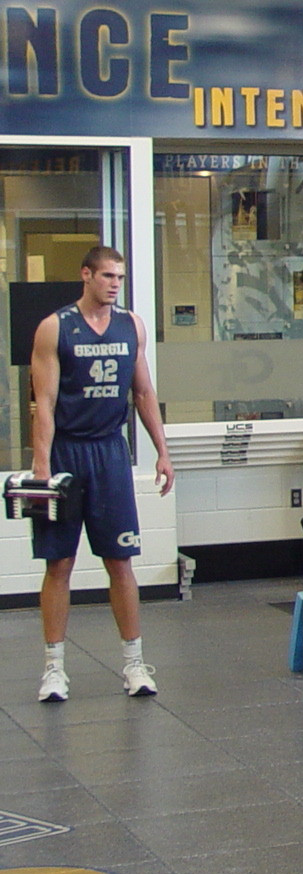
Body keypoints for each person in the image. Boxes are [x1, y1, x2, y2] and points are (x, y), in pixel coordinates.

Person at [28, 245, 175, 702]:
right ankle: (54, 669)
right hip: (67, 455)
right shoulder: (55, 328)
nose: (115, 284)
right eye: (108, 276)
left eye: (120, 277)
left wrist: (162, 452)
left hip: (110, 452)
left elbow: (145, 393)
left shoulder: (131, 326)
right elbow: (45, 403)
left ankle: (134, 664)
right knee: (60, 563)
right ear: (86, 275)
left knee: (121, 562)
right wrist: (41, 466)